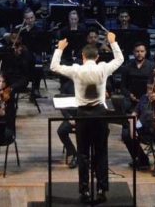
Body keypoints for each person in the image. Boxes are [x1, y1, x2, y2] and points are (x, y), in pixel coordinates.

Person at [50, 31, 124, 203]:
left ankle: (84, 191)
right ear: (97, 57)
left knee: (83, 154)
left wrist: (59, 49)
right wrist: (113, 42)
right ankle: (101, 190)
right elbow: (120, 60)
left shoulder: (77, 70)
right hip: (99, 115)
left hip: (82, 115)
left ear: (83, 56)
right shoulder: (103, 68)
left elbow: (54, 67)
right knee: (101, 153)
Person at [121, 78, 155, 176]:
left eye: (152, 89)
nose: (149, 92)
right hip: (144, 125)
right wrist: (132, 126)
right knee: (126, 134)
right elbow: (135, 113)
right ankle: (143, 160)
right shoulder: (144, 98)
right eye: (148, 89)